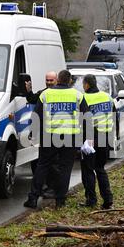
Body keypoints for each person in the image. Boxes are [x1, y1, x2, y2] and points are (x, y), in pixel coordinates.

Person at [24, 70, 88, 209]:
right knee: (65, 169)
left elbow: (37, 115)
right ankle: (60, 201)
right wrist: (86, 138)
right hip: (71, 137)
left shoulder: (46, 94)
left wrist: (33, 133)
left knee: (42, 166)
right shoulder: (77, 95)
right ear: (70, 80)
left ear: (58, 79)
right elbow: (86, 117)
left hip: (50, 136)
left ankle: (33, 198)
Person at [80, 75, 115, 210]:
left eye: (83, 84)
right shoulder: (107, 97)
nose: (83, 86)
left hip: (91, 138)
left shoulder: (84, 98)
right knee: (100, 168)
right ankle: (108, 199)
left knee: (88, 169)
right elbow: (113, 114)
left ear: (87, 85)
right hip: (105, 136)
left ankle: (91, 199)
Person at [25, 71, 58, 198]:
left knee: (53, 163)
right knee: (40, 162)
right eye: (47, 80)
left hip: (59, 133)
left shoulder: (62, 93)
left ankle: (52, 188)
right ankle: (45, 188)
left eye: (51, 80)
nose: (49, 83)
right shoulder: (43, 93)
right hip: (45, 133)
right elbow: (35, 107)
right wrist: (29, 91)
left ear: (56, 80)